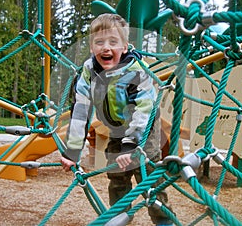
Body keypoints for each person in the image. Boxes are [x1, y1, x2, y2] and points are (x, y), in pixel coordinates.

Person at [60, 13, 173, 226]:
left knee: (150, 181)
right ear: (92, 47)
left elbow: (143, 110)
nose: (106, 48)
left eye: (113, 42)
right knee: (116, 178)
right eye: (99, 42)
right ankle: (120, 219)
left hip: (144, 131)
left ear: (125, 46)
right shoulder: (89, 71)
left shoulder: (135, 71)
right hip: (115, 129)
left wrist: (131, 146)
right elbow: (80, 110)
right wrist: (73, 151)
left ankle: (164, 221)